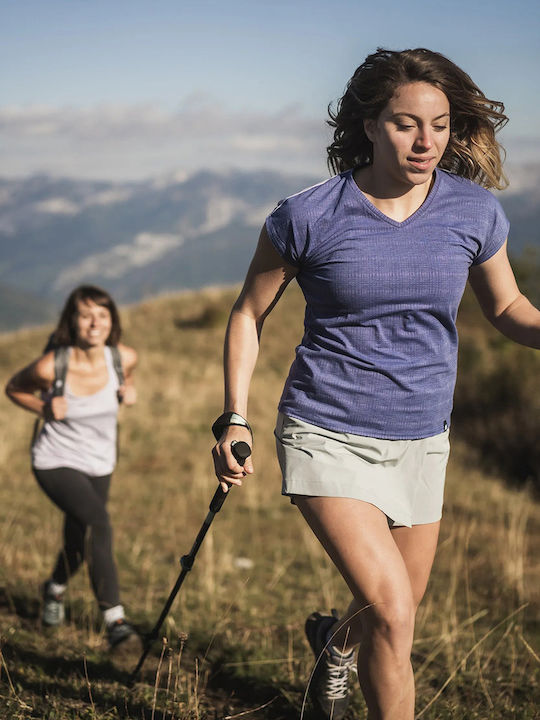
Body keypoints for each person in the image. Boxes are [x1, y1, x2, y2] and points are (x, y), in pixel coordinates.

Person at [211, 48, 540, 720]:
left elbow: (507, 310)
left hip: (422, 439)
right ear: (368, 125)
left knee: (391, 610)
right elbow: (248, 313)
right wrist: (234, 417)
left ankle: (333, 647)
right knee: (394, 612)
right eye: (405, 124)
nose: (426, 142)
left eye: (441, 124)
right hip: (325, 430)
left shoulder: (473, 212)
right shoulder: (308, 216)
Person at [5, 284, 140, 652]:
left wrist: (128, 390)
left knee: (78, 543)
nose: (94, 323)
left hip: (100, 462)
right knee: (98, 523)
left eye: (102, 314)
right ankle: (116, 622)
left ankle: (53, 589)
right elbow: (14, 387)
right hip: (55, 460)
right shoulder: (53, 365)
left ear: (112, 321)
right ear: (72, 321)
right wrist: (44, 408)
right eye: (85, 315)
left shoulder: (123, 358)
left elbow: (127, 379)